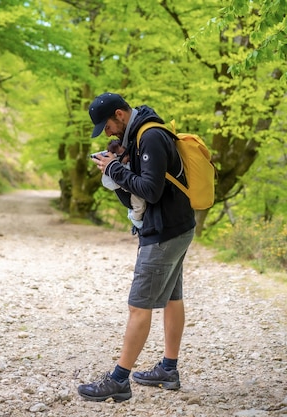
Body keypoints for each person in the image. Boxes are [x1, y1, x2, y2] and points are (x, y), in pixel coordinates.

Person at [78, 92, 196, 402]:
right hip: (176, 226)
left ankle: (119, 379)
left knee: (138, 306)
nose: (107, 133)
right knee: (172, 297)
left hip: (165, 231)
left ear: (120, 114)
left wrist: (114, 169)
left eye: (107, 125)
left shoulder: (151, 136)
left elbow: (151, 191)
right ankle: (168, 369)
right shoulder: (140, 135)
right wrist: (121, 159)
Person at [104, 138, 145, 229]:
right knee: (139, 206)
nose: (128, 157)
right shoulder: (114, 168)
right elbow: (112, 183)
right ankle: (135, 219)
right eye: (124, 155)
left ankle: (132, 214)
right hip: (131, 191)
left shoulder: (131, 161)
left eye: (127, 153)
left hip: (134, 187)